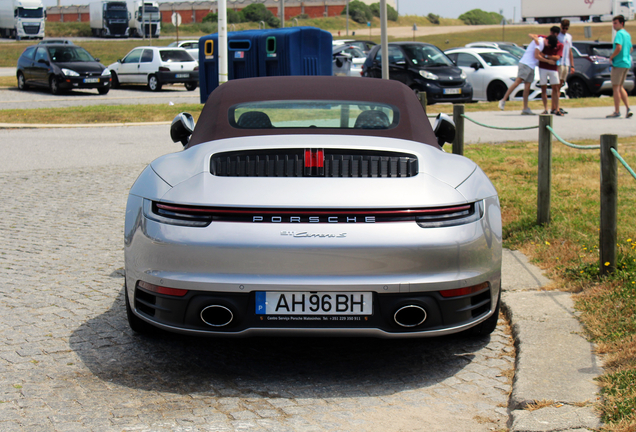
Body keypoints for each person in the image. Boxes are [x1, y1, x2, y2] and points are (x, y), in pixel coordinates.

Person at [498, 35, 546, 115]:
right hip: (525, 64)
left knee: (527, 87)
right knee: (517, 82)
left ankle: (525, 108)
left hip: (532, 66)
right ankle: (503, 100)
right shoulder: (540, 41)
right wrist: (547, 60)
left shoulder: (542, 42)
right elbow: (536, 55)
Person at [607, 15, 633, 118]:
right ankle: (628, 108)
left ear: (621, 23)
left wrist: (612, 57)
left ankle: (617, 111)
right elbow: (630, 48)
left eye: (615, 23)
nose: (614, 25)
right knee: (620, 86)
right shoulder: (627, 34)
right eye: (613, 23)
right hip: (626, 63)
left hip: (618, 63)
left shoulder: (619, 34)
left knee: (616, 87)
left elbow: (618, 47)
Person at [536, 28, 563, 115]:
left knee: (555, 87)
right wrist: (549, 58)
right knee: (543, 88)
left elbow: (557, 57)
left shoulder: (560, 45)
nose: (549, 47)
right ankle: (545, 109)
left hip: (553, 68)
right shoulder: (545, 41)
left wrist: (546, 55)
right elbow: (539, 53)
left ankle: (557, 108)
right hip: (543, 67)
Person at [556, 19, 574, 115]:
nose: (564, 30)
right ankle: (556, 107)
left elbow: (570, 51)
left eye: (566, 28)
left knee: (561, 84)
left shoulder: (569, 37)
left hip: (566, 63)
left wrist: (572, 65)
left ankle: (557, 105)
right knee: (557, 85)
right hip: (559, 63)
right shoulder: (558, 36)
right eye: (563, 28)